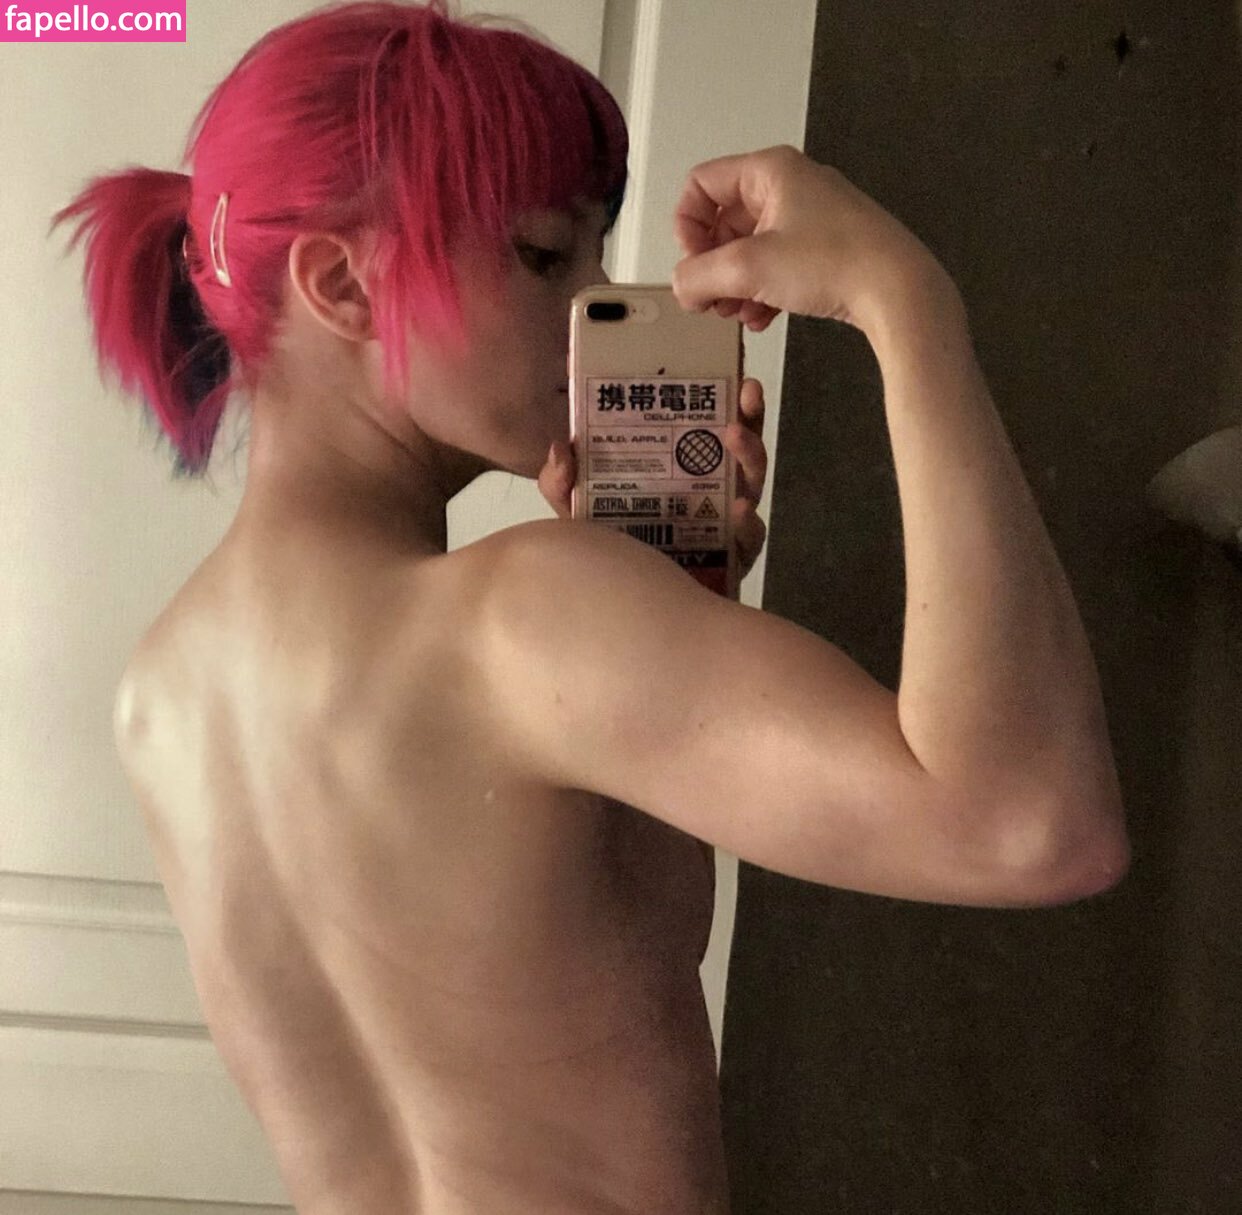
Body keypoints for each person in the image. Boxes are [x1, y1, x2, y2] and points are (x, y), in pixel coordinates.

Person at [53, 3, 1127, 1213]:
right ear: (343, 282)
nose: (599, 300)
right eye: (543, 255)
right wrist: (904, 297)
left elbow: (617, 955)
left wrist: (670, 598)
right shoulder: (528, 619)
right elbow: (1035, 823)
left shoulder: (162, 685)